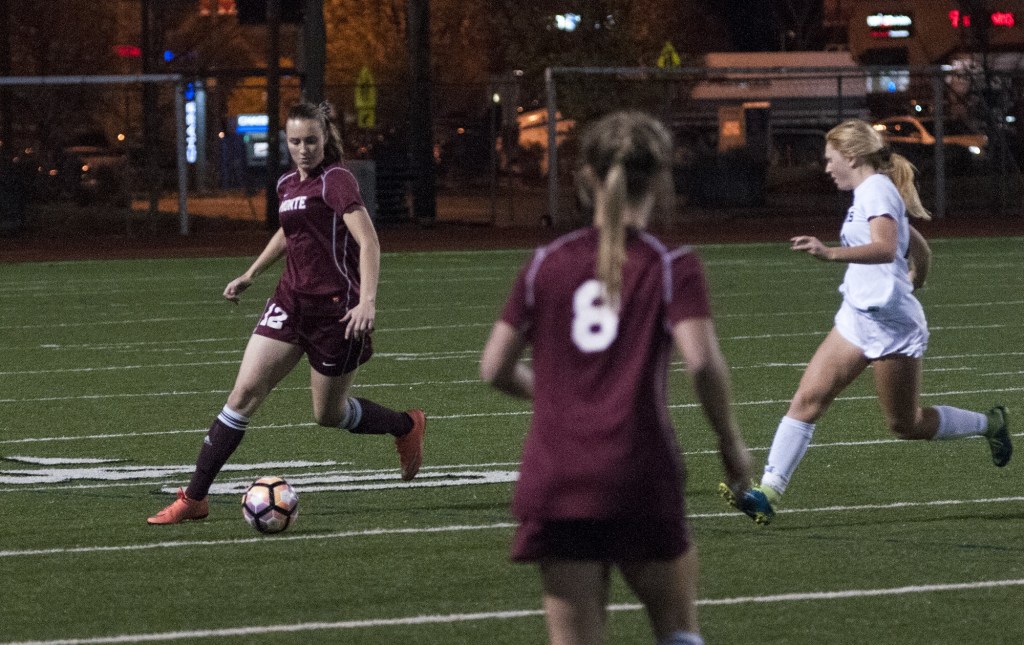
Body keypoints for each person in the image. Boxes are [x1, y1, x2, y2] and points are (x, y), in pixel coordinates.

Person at [480, 110, 754, 645]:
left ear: (585, 176)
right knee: (678, 631)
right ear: (660, 179)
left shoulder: (545, 263)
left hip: (557, 475)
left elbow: (494, 368)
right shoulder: (671, 263)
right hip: (637, 471)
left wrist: (558, 397)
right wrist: (731, 446)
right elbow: (702, 363)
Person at [720, 118, 1011, 526]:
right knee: (806, 401)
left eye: (830, 159)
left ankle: (988, 423)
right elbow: (917, 246)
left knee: (905, 424)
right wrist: (918, 277)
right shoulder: (870, 192)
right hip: (857, 317)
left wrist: (830, 254)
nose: (826, 168)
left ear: (851, 156)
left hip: (892, 327)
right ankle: (767, 493)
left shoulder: (875, 189)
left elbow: (886, 247)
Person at [148, 102, 425, 525]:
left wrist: (367, 300)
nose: (302, 149)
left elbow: (369, 243)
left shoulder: (337, 180)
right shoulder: (286, 185)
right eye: (294, 141)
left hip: (337, 313)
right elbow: (289, 229)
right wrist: (251, 273)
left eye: (310, 140)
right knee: (242, 397)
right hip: (289, 304)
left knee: (328, 415)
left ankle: (404, 426)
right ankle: (195, 497)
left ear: (325, 138)